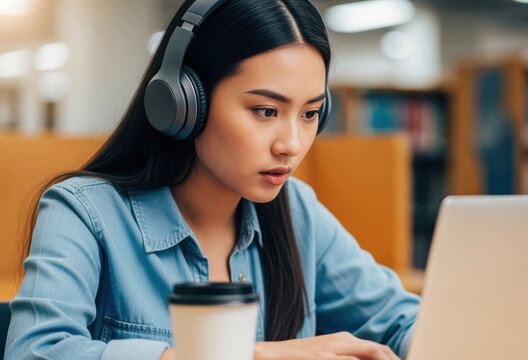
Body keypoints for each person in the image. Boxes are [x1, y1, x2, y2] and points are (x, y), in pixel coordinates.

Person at [5, 0, 419, 359]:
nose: (291, 144)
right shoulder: (83, 213)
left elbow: (402, 320)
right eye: (266, 111)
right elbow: (35, 352)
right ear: (183, 102)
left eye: (310, 113)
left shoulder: (296, 211)